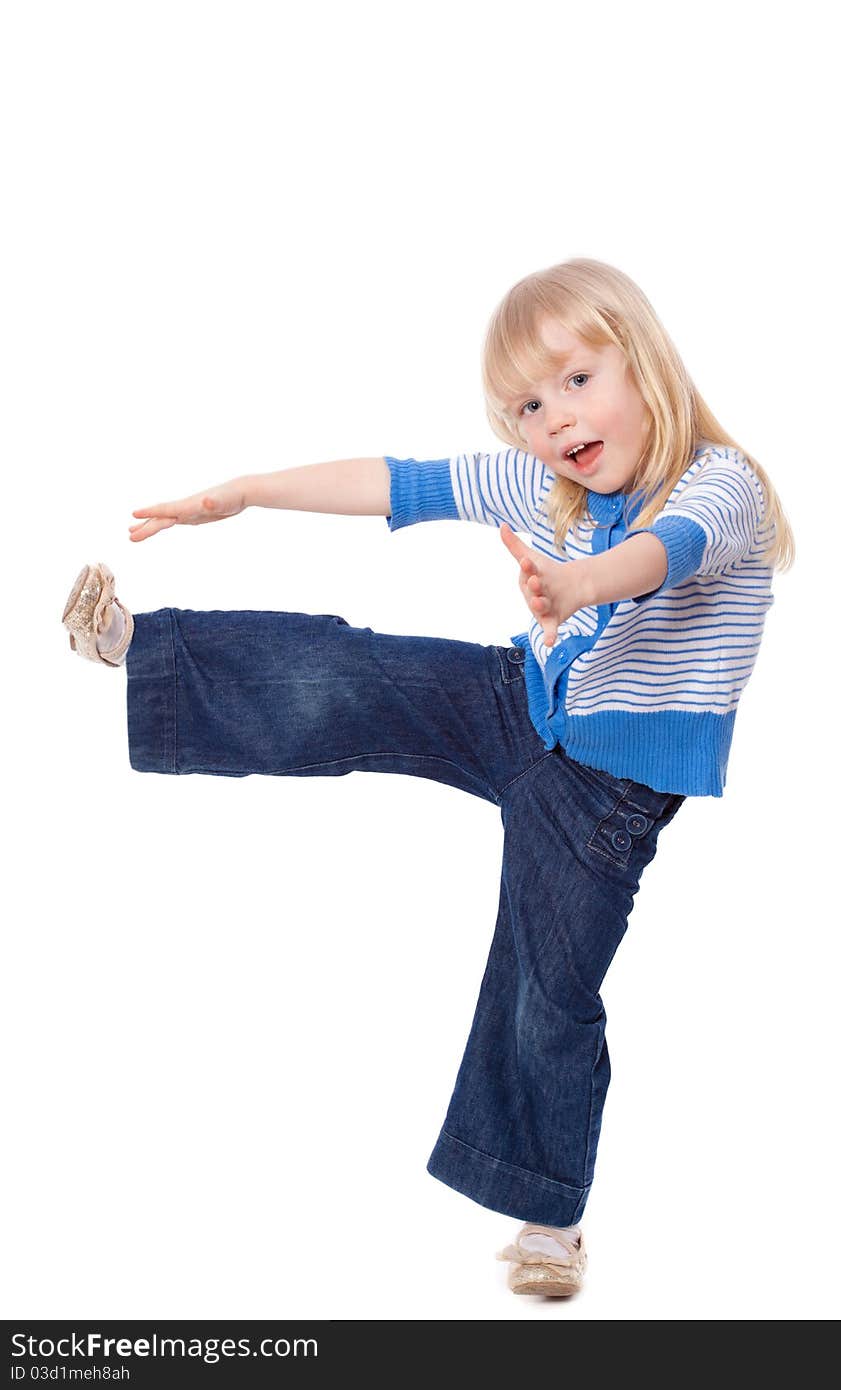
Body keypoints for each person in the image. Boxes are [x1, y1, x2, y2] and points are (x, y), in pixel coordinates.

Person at [61, 257, 794, 1297]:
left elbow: (663, 555)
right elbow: (392, 482)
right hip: (521, 701)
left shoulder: (720, 483)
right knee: (362, 672)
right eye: (528, 407)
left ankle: (548, 1219)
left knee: (547, 983)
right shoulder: (546, 479)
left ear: (641, 362)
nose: (554, 420)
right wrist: (246, 494)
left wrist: (576, 578)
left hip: (605, 793)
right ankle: (142, 646)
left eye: (576, 381)